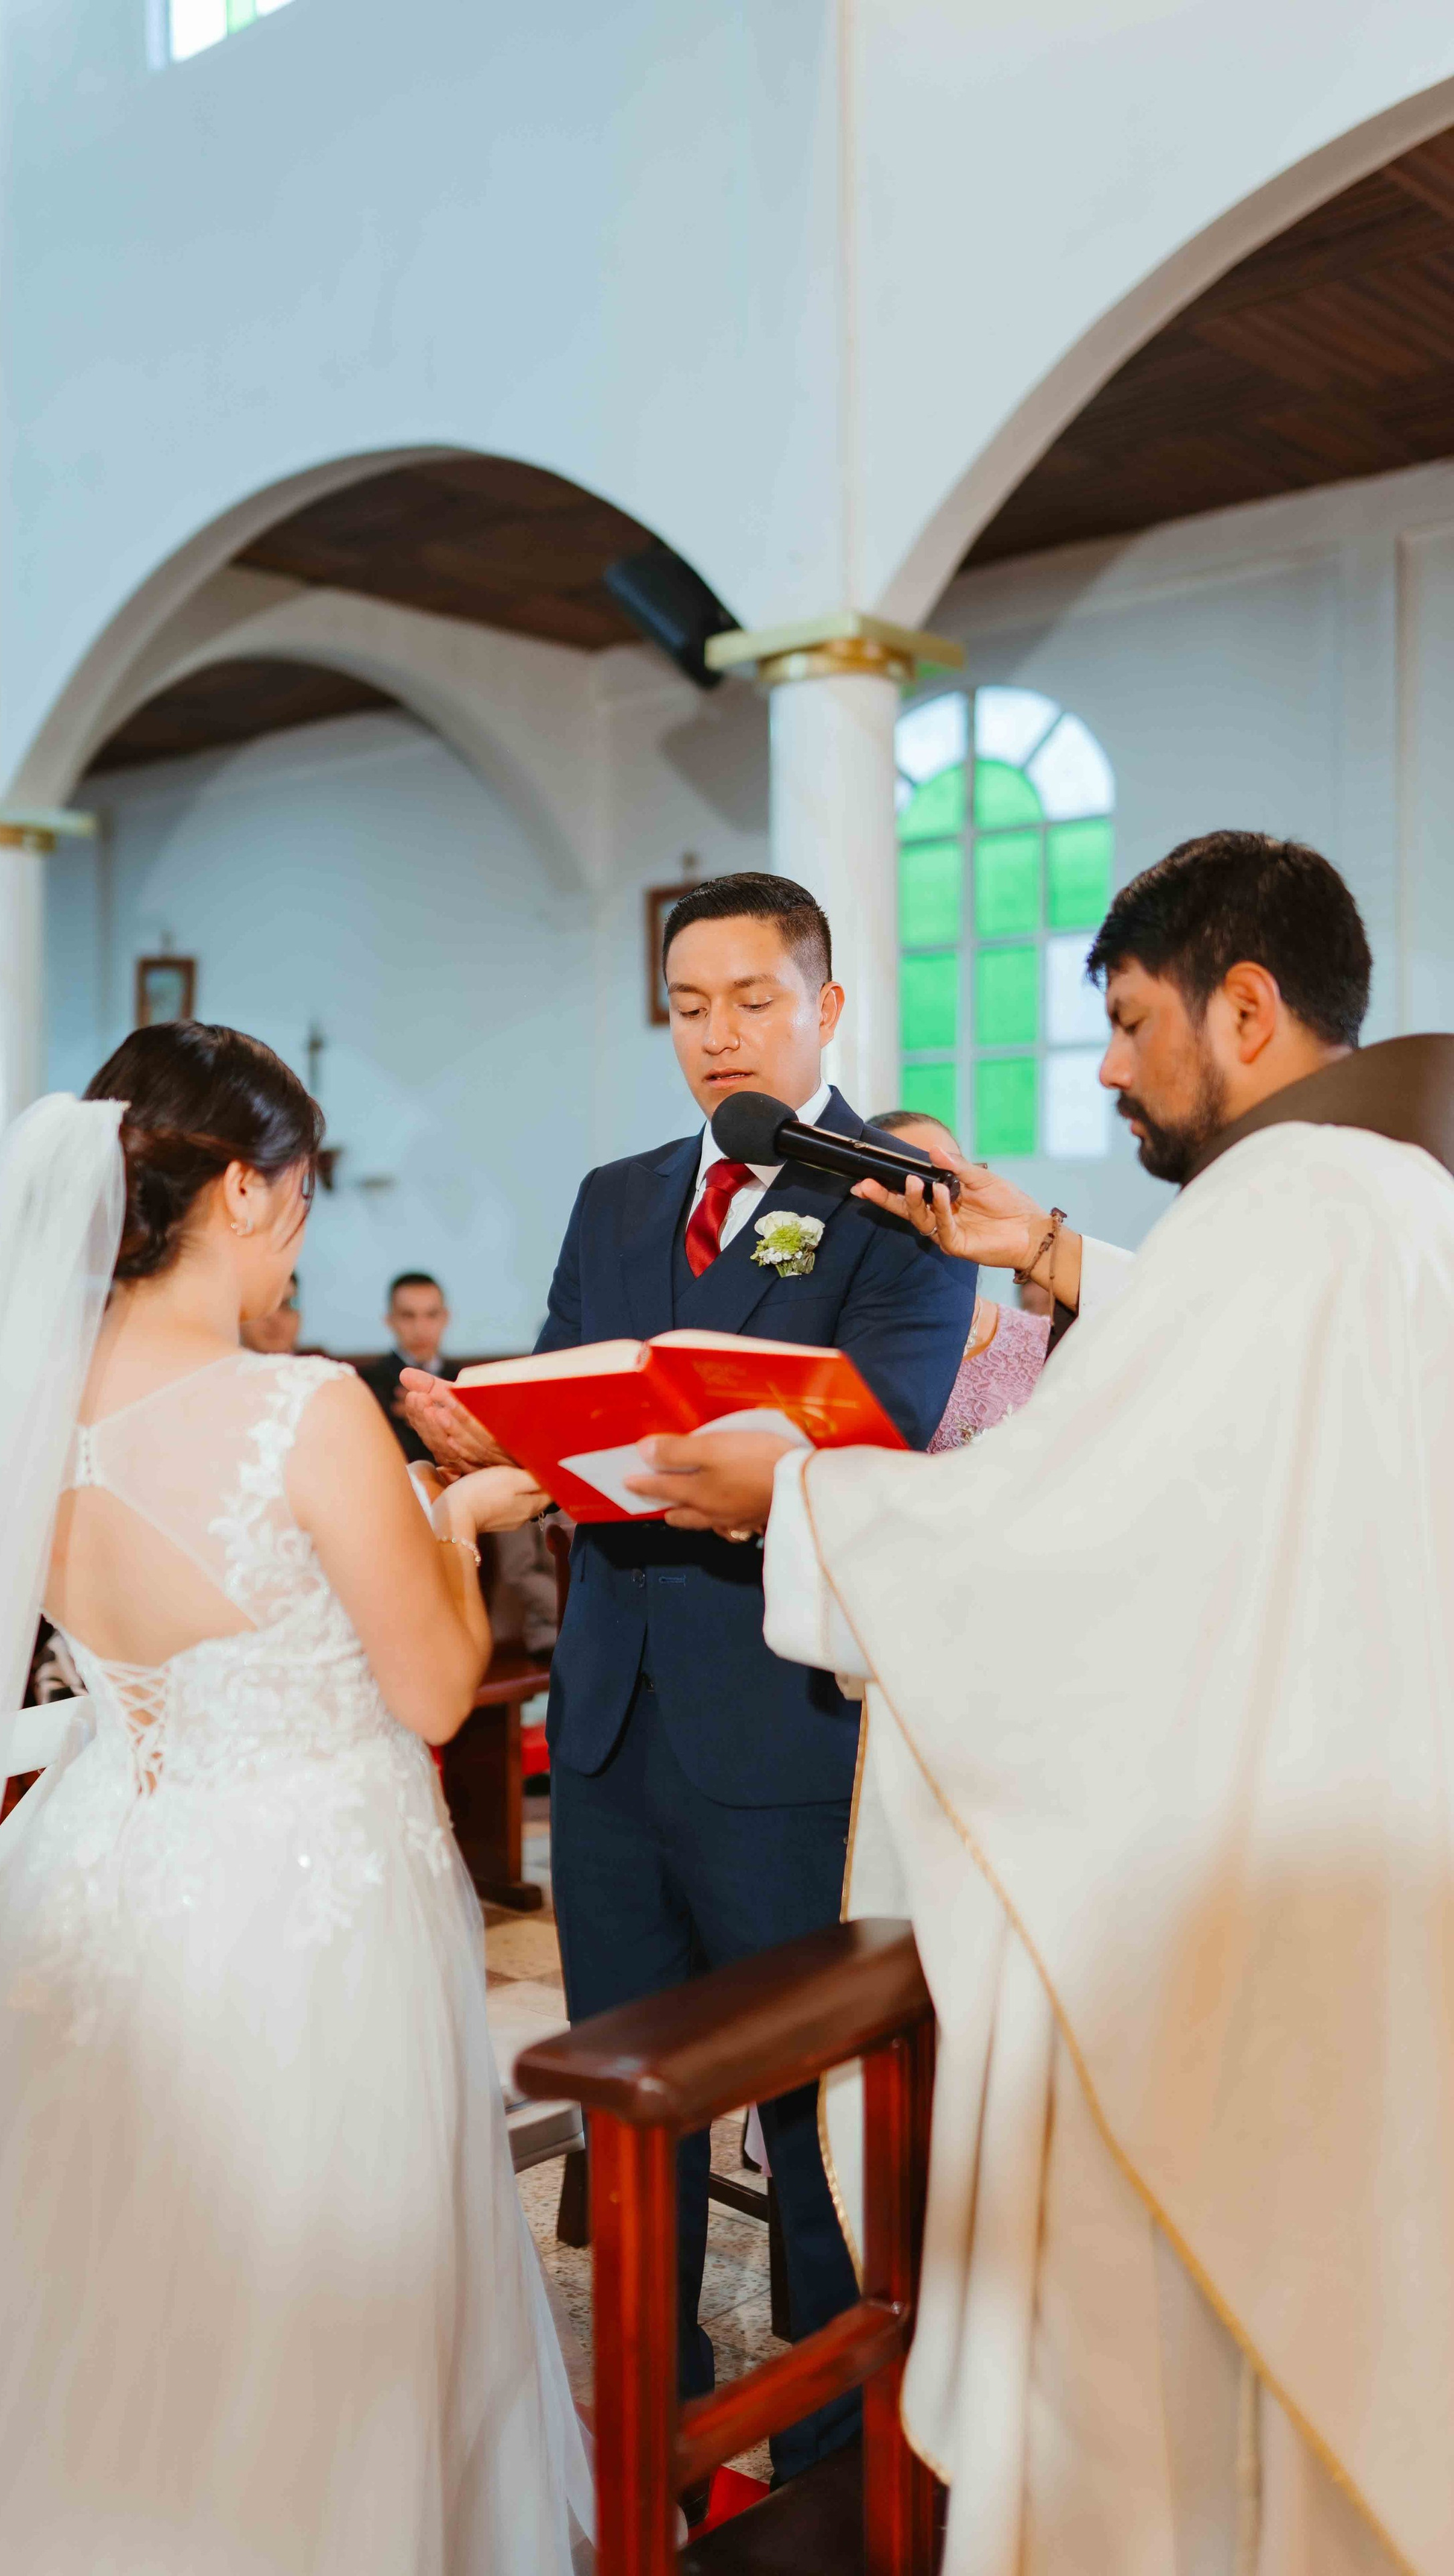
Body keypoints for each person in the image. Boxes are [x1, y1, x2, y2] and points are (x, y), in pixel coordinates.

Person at [629, 833, 1447, 2571]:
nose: (1108, 1071)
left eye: (1132, 1024)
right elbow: (1240, 1412)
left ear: (1243, 1009)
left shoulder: (1280, 1211)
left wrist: (796, 1497)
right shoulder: (1386, 1196)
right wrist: (1059, 1251)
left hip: (1259, 1876)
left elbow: (1062, 1532)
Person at [0, 1022, 590, 2576]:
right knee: (317, 2290)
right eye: (304, 1200)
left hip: (107, 1879)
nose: (300, 1239)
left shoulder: (29, 1409)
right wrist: (459, 1519)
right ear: (246, 1191)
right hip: (304, 1897)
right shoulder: (300, 1407)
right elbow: (429, 1689)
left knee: (103, 2296)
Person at [403, 871, 972, 2493]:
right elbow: (559, 1391)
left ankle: (829, 2469)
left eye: (752, 1000)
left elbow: (887, 1427)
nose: (718, 1034)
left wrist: (729, 1462)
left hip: (778, 1726)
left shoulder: (895, 1200)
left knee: (807, 2126)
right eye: (688, 1006)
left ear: (825, 1007)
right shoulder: (618, 1195)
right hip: (605, 1719)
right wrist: (489, 1440)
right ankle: (654, 2436)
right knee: (627, 2101)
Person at [871, 1112, 1049, 1450]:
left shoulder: (1041, 1343)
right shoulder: (840, 1337)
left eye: (946, 1178)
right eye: (908, 1184)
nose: (933, 1200)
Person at [360, 1271, 455, 1466]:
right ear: (390, 1321)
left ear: (445, 1318)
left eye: (431, 1315)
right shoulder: (367, 1385)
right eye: (408, 1316)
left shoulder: (464, 1381)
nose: (420, 1328)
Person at [239, 1267, 301, 1354]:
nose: (275, 1318)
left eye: (286, 1305)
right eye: (262, 1307)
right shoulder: (223, 1361)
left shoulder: (319, 1360)